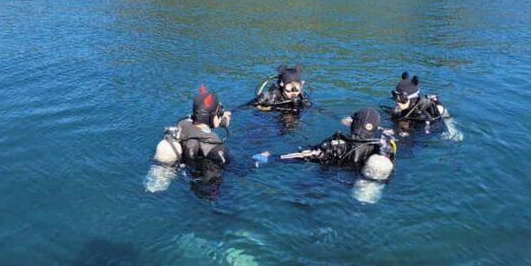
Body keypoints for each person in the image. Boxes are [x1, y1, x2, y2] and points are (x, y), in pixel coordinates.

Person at [255, 107, 396, 181]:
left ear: (355, 124)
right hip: (356, 181)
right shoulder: (382, 147)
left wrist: (270, 157)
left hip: (330, 179)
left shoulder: (337, 145)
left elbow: (303, 155)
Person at [153, 85, 232, 166]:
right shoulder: (219, 150)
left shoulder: (181, 127)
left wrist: (219, 118)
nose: (221, 113)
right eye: (219, 111)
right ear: (213, 116)